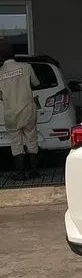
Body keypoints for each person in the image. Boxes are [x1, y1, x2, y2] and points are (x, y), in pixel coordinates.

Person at [0, 42, 40, 180]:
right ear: (14, 54)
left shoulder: (0, 73)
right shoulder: (26, 67)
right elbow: (36, 83)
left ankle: (20, 173)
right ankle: (34, 171)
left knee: (16, 142)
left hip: (11, 113)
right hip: (28, 110)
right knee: (31, 138)